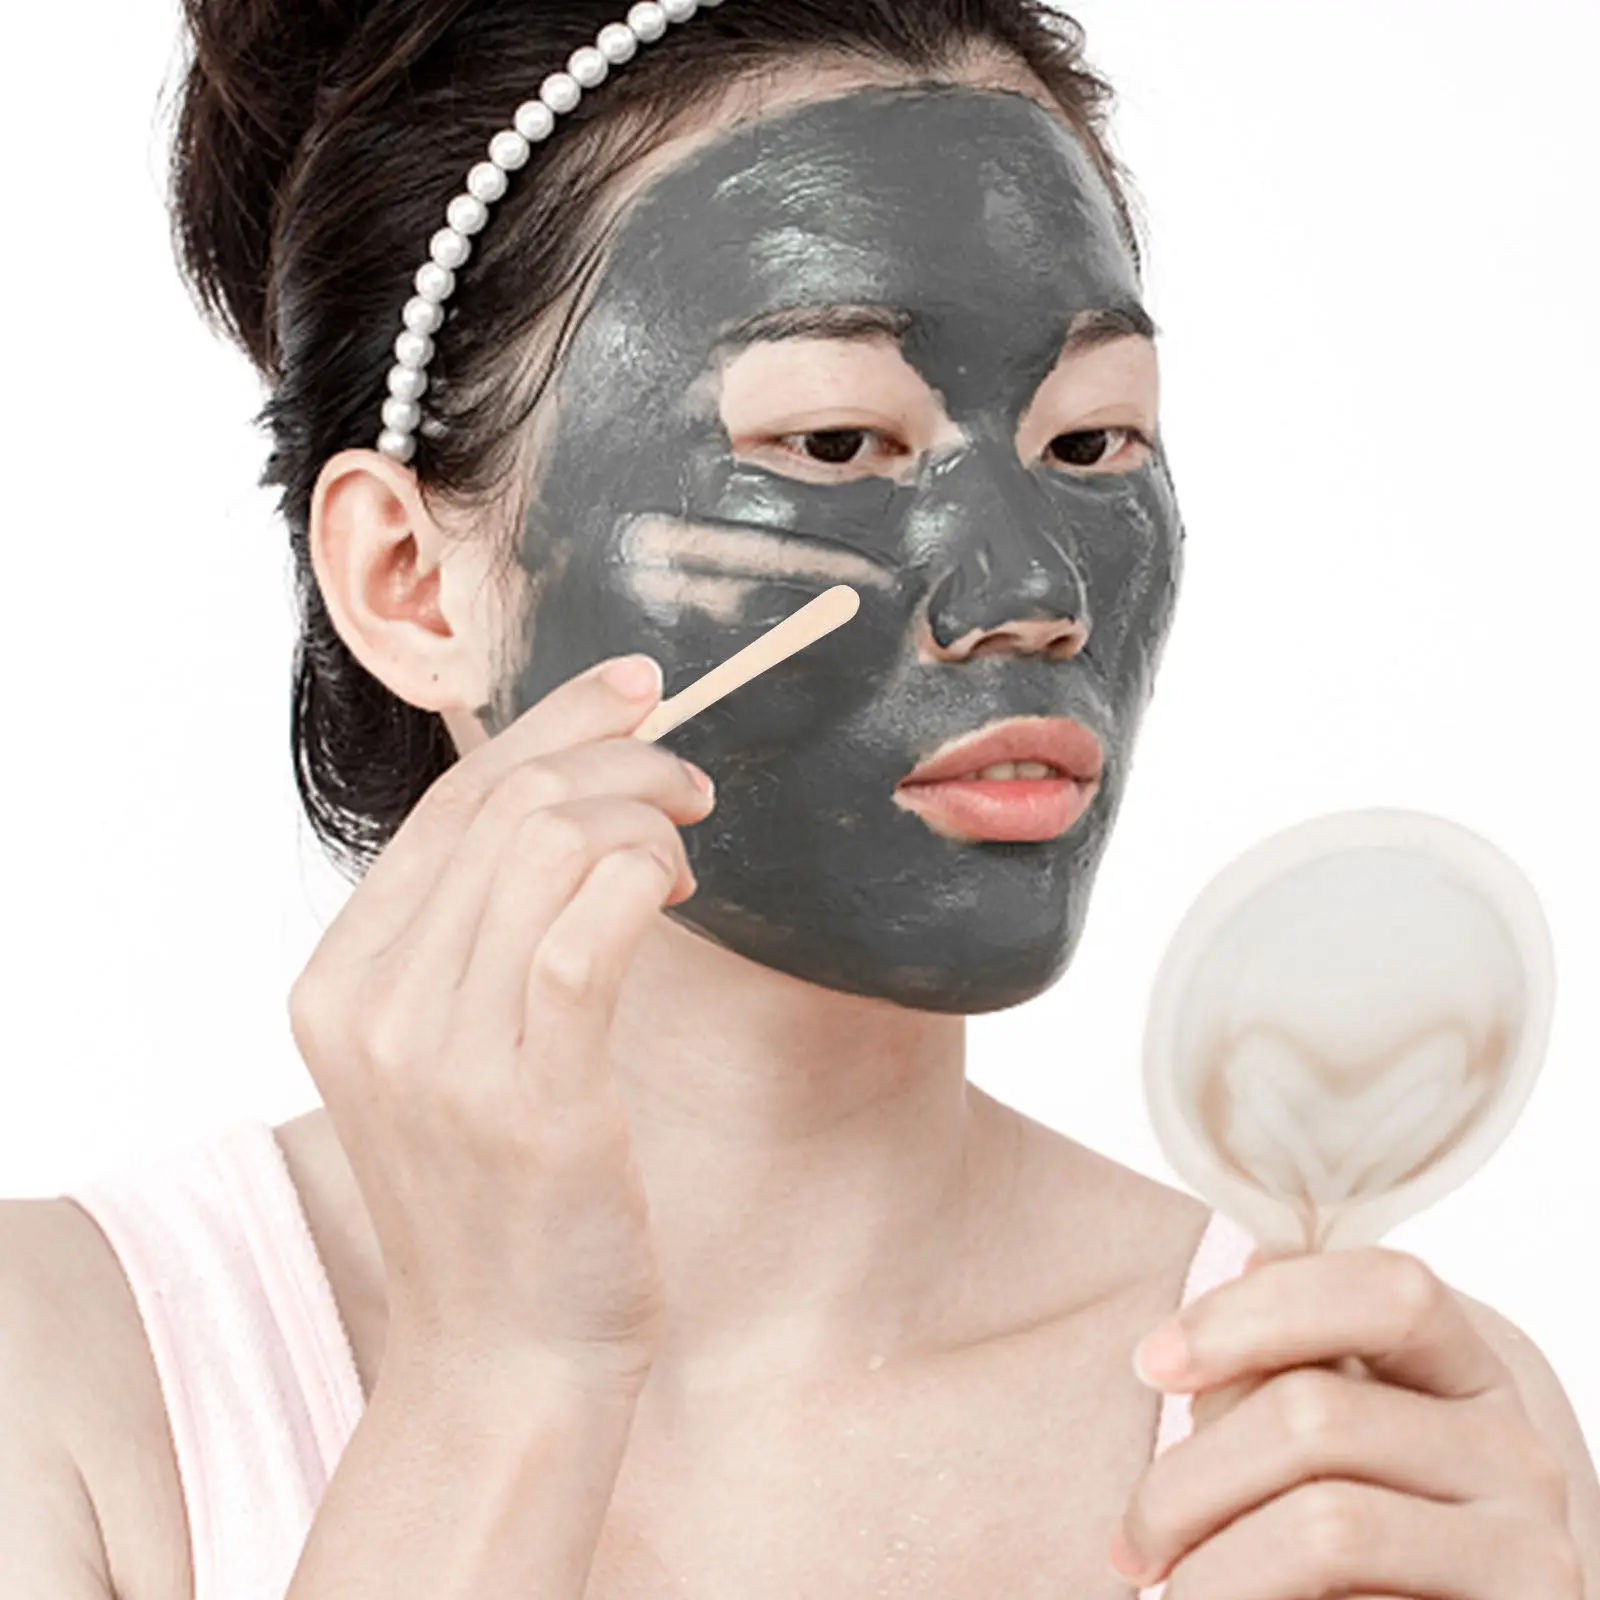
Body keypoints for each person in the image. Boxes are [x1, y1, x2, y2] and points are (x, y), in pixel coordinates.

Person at [2, 1, 1596, 1597]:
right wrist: (504, 1382)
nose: (1032, 591)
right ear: (413, 580)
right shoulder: (63, 1391)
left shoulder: (1365, 1439)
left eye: (1094, 440)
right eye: (834, 440)